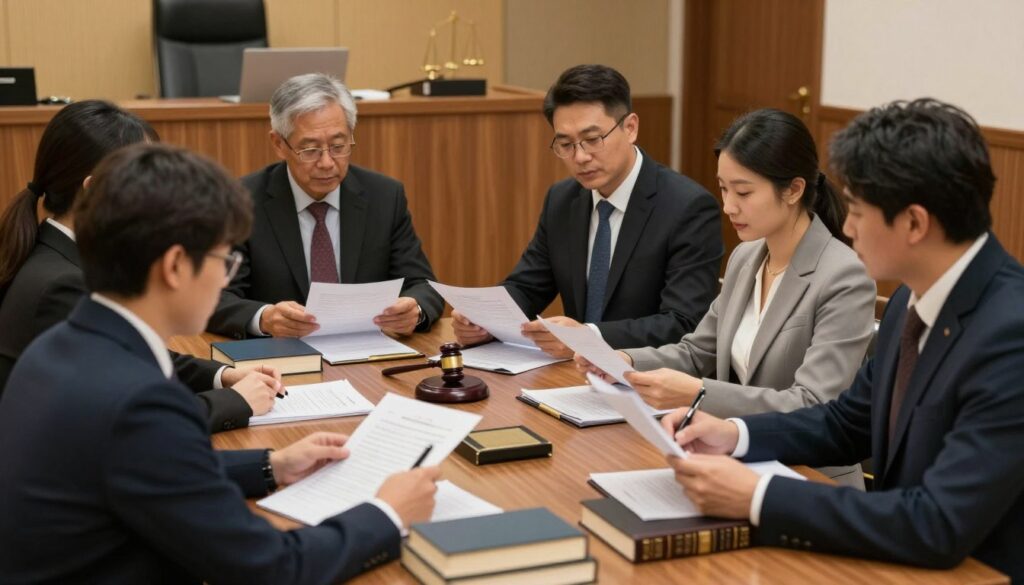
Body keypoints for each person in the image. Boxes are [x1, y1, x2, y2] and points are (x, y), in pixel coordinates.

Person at [0, 144, 440, 583]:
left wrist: (272, 466)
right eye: (224, 260)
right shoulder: (141, 402)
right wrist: (386, 514)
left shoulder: (61, 344)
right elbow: (272, 569)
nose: (227, 277)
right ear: (175, 266)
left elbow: (146, 467)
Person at [661, 99, 1024, 580]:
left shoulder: (1010, 333)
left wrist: (758, 496)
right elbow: (847, 423)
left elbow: (937, 522)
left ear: (915, 223)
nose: (847, 228)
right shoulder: (907, 303)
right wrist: (735, 435)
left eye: (856, 210)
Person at [577, 109, 875, 486]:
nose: (729, 206)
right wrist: (623, 361)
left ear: (794, 189)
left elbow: (812, 404)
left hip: (810, 475)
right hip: (736, 460)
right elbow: (697, 352)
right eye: (723, 188)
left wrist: (700, 392)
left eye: (744, 192)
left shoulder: (843, 276)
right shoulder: (746, 257)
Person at [0, 100, 278, 432]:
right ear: (96, 192)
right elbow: (131, 422)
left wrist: (223, 376)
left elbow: (130, 354)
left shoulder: (65, 258)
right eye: (147, 181)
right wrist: (237, 401)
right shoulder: (63, 285)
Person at [452, 64, 722, 357]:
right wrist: (484, 318)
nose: (580, 157)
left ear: (630, 128)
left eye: (593, 139)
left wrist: (588, 337)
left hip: (647, 380)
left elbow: (683, 322)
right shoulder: (562, 199)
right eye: (565, 144)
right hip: (573, 376)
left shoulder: (687, 207)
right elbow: (528, 286)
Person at [207, 73, 444, 340]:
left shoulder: (384, 197)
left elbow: (423, 285)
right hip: (279, 360)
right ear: (278, 144)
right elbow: (215, 296)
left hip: (368, 355)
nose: (327, 162)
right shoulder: (240, 201)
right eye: (310, 150)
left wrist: (414, 309)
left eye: (338, 146)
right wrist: (264, 318)